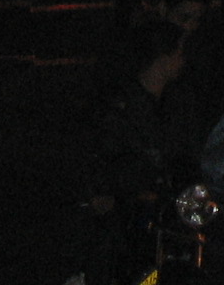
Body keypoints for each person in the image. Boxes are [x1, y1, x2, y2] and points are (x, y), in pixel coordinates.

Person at [81, 18, 188, 285]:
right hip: (128, 225)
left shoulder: (175, 104)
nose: (183, 60)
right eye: (179, 52)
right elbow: (106, 161)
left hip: (166, 220)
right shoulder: (120, 108)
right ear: (162, 57)